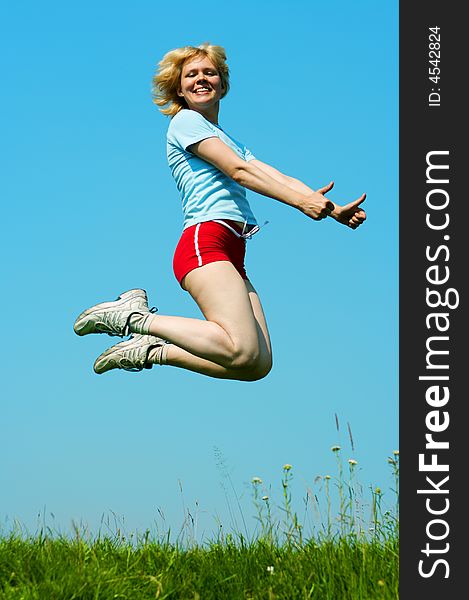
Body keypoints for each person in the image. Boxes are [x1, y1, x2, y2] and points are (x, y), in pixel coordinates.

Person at [73, 42, 366, 380]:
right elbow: (238, 172)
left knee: (255, 363)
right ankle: (134, 318)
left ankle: (152, 350)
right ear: (179, 88)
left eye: (209, 73)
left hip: (232, 249)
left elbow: (275, 175)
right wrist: (301, 203)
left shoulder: (228, 139)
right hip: (205, 241)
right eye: (191, 74)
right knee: (239, 347)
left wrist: (331, 209)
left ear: (223, 85)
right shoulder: (185, 122)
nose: (201, 79)